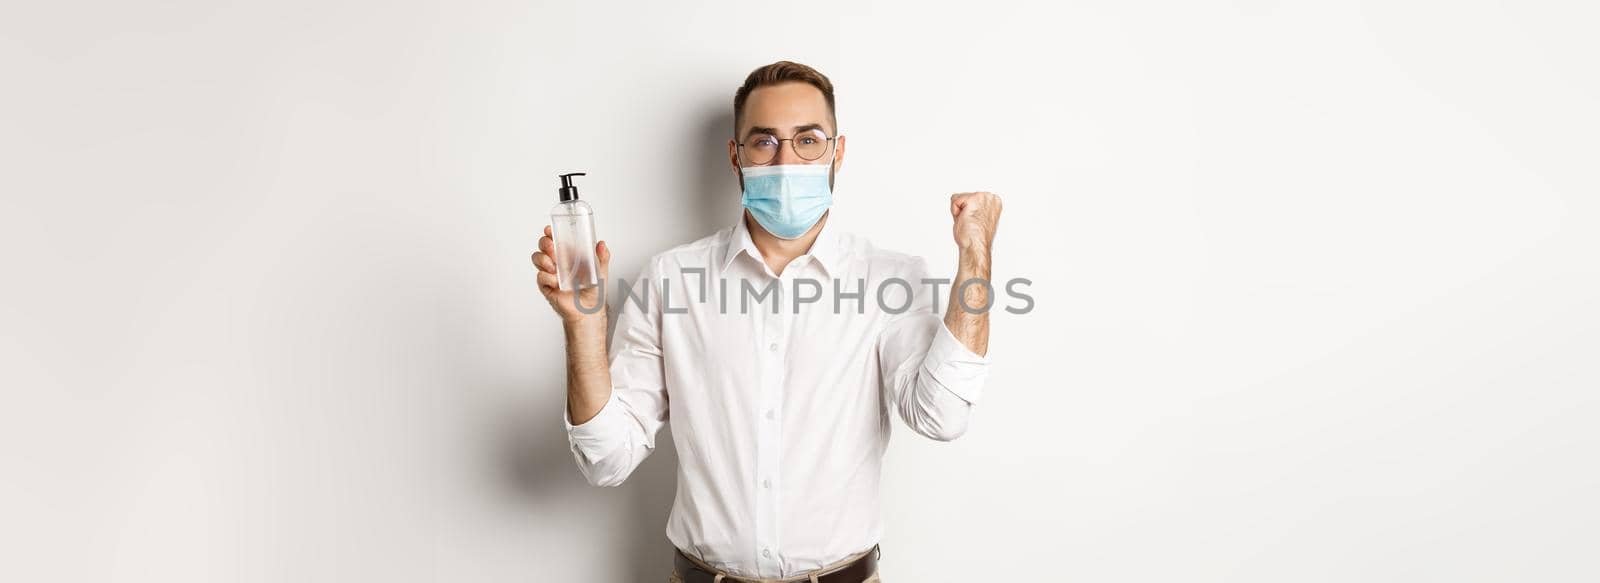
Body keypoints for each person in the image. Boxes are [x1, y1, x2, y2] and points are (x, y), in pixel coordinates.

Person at [530, 60, 1002, 583]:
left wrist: (975, 259)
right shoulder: (672, 279)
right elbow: (606, 459)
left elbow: (941, 416)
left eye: (808, 140)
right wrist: (583, 328)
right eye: (764, 142)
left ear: (837, 153)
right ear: (736, 157)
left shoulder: (889, 279)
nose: (786, 161)